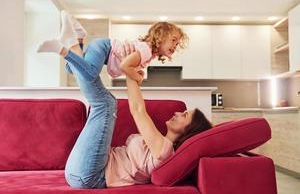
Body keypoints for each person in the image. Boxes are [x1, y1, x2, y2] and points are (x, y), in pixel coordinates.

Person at [37, 11, 212, 189]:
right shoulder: (159, 142)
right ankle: (74, 43)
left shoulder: (165, 151)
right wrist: (131, 69)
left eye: (184, 115)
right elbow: (136, 105)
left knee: (106, 104)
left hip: (91, 175)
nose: (178, 112)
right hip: (86, 167)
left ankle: (67, 47)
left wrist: (132, 70)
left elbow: (137, 109)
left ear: (190, 129)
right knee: (82, 75)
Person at [37, 10, 188, 86]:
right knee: (89, 75)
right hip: (104, 48)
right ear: (160, 38)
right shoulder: (146, 50)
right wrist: (138, 77)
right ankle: (62, 47)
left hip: (103, 48)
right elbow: (124, 64)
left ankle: (79, 37)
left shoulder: (148, 53)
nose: (175, 45)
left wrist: (135, 70)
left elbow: (128, 63)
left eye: (177, 43)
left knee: (72, 69)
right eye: (173, 40)